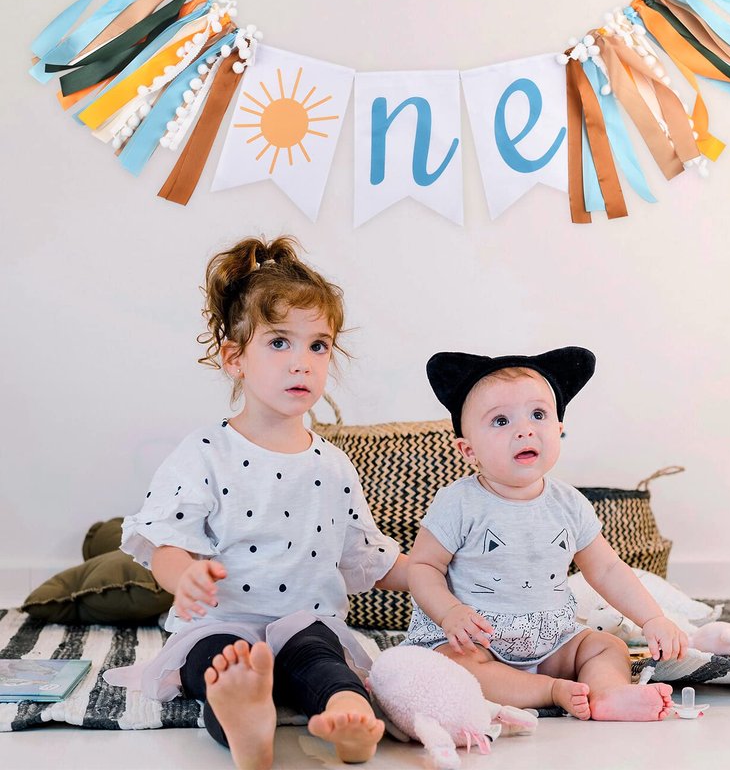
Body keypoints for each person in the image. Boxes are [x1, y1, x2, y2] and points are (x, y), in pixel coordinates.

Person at [104, 235, 407, 769]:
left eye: (318, 346)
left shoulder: (333, 465)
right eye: (280, 342)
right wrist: (185, 577)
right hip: (223, 622)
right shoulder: (205, 452)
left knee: (325, 664)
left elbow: (368, 556)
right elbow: (168, 542)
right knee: (217, 666)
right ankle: (245, 725)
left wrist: (439, 572)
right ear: (234, 358)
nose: (302, 363)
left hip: (305, 621)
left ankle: (349, 717)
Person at [405, 348, 688, 722]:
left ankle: (606, 693)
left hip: (550, 640)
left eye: (538, 415)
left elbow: (606, 569)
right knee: (452, 667)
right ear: (468, 450)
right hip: (477, 640)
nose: (525, 429)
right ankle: (551, 691)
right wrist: (450, 613)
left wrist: (652, 618)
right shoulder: (459, 503)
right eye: (501, 420)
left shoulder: (569, 503)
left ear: (559, 429)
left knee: (606, 647)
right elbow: (423, 567)